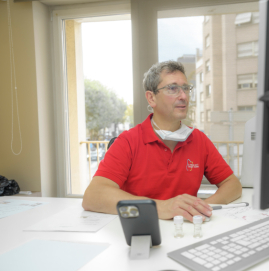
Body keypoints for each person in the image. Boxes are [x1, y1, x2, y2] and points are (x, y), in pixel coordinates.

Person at [82, 61, 242, 222]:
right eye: (173, 88)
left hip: (185, 230)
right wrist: (161, 207)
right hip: (143, 231)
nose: (184, 96)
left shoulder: (199, 140)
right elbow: (93, 196)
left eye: (186, 88)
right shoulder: (128, 142)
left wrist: (201, 209)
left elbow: (233, 185)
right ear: (151, 98)